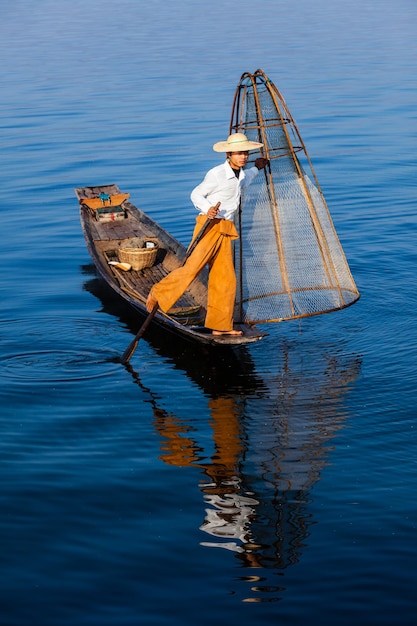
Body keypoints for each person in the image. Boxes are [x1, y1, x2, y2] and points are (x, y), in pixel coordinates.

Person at [146, 133, 268, 336]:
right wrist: (208, 208)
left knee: (225, 277)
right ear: (229, 154)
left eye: (245, 153)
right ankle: (158, 293)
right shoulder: (217, 174)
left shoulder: (242, 174)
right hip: (209, 225)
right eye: (239, 153)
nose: (243, 157)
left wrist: (258, 167)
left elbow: (244, 182)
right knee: (192, 268)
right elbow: (196, 194)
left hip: (226, 228)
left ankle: (220, 326)